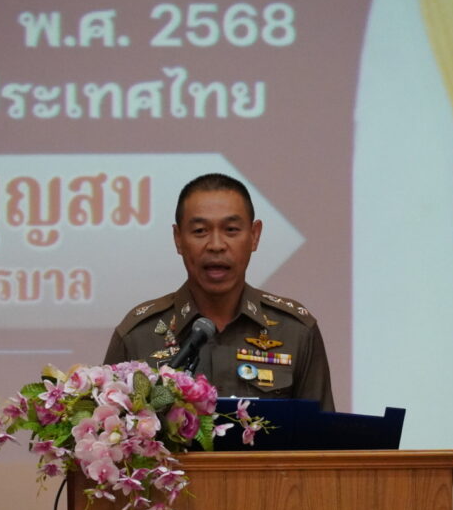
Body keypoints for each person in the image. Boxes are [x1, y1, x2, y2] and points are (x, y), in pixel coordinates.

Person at [104, 173, 335, 411]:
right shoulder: (138, 336)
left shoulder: (295, 332)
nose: (216, 245)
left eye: (231, 230)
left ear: (254, 236)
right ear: (178, 239)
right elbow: (110, 427)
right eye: (200, 231)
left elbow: (324, 433)